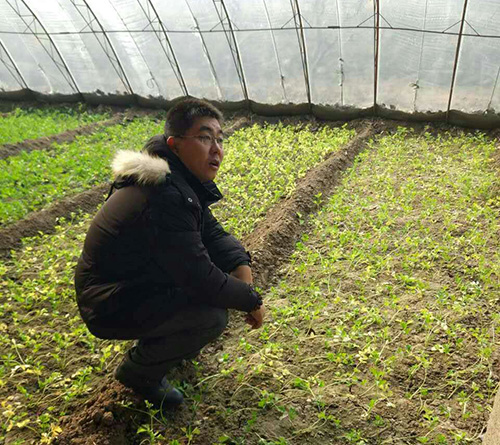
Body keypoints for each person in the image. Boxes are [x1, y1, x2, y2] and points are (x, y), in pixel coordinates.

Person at [74, 98, 265, 409]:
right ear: (175, 145)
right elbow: (200, 278)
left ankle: (163, 339)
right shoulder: (165, 197)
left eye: (219, 139)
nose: (216, 149)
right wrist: (250, 299)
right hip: (108, 303)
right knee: (211, 316)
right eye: (205, 138)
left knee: (210, 289)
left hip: (130, 285)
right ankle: (139, 374)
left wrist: (240, 263)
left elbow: (211, 232)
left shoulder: (176, 181)